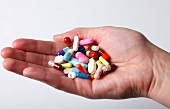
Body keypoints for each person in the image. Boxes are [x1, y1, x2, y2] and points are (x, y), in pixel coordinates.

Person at [1, 26, 170, 108]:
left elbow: (90, 59)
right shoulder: (74, 57)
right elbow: (78, 61)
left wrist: (153, 69)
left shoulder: (91, 57)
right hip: (79, 65)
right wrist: (154, 71)